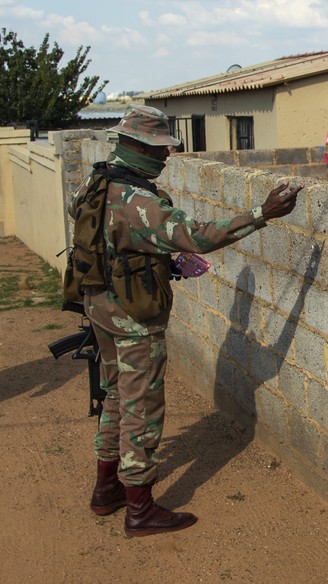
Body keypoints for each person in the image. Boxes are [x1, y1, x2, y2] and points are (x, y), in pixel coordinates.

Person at [80, 104, 301, 536]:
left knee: (113, 397)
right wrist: (262, 214)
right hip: (133, 319)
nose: (166, 157)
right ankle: (140, 509)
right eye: (159, 150)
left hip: (100, 307)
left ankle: (107, 489)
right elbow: (198, 235)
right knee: (141, 408)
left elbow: (98, 229)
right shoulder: (139, 202)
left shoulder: (98, 181)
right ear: (139, 147)